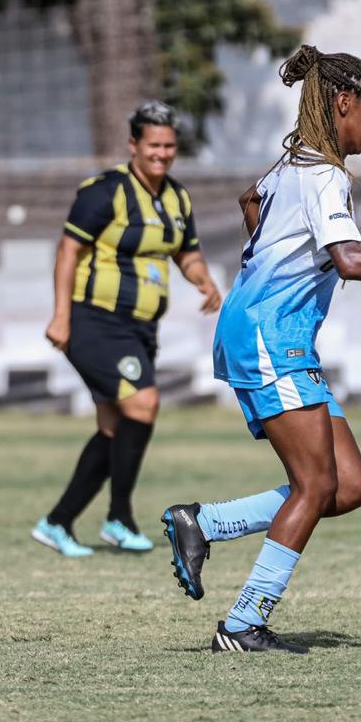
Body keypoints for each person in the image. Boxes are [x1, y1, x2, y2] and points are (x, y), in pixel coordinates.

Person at [161, 45, 361, 653]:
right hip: (270, 338)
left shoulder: (290, 168)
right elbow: (350, 259)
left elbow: (250, 202)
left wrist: (271, 257)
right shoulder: (322, 176)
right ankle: (242, 624)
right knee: (314, 486)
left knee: (346, 487)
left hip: (270, 334)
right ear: (343, 102)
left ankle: (204, 523)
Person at [34, 101, 223, 557]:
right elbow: (67, 253)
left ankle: (57, 522)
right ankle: (119, 517)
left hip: (141, 328)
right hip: (94, 319)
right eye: (153, 144)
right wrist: (61, 315)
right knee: (144, 402)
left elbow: (186, 252)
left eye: (170, 146)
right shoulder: (105, 192)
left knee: (116, 427)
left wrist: (203, 279)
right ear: (133, 145)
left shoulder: (177, 198)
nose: (162, 153)